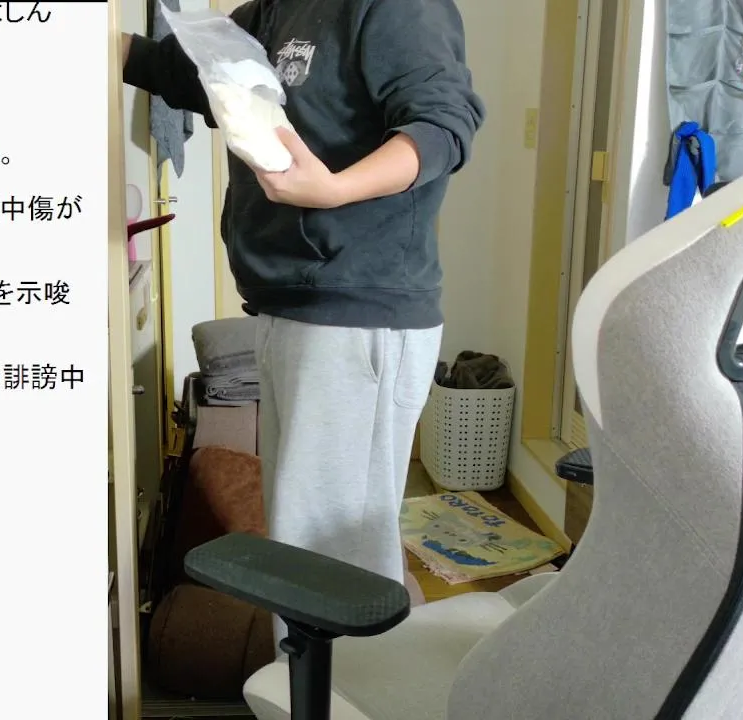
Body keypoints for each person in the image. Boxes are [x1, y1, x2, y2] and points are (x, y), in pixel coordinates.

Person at [122, 0, 485, 632]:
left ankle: (346, 681)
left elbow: (443, 126)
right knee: (300, 543)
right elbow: (185, 71)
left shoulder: (396, 7)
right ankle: (314, 677)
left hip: (356, 313)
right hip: (287, 306)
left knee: (332, 561)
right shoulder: (274, 8)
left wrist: (335, 189)